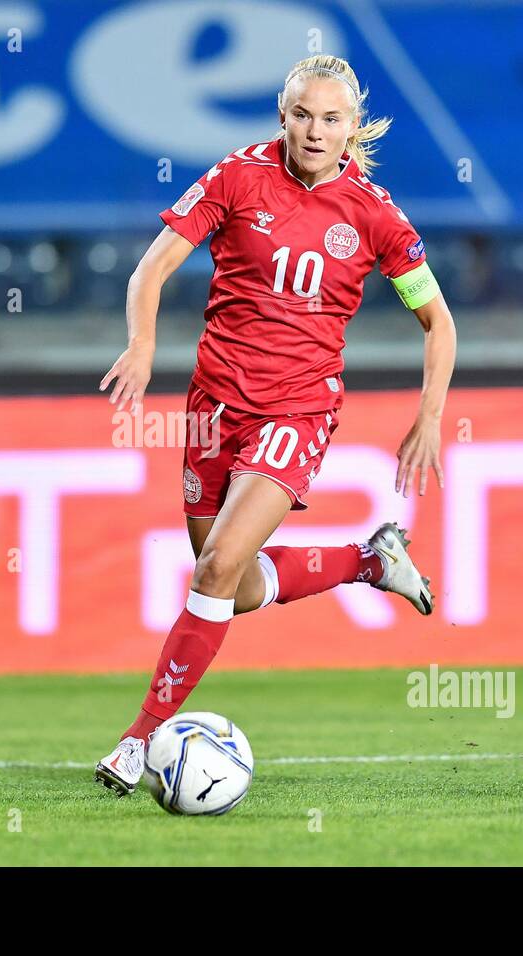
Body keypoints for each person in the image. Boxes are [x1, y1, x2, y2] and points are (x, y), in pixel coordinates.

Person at [95, 55, 457, 796]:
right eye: (301, 115)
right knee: (231, 585)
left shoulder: (376, 215)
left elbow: (438, 321)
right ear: (281, 116)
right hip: (213, 407)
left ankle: (136, 742)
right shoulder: (237, 176)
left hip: (297, 407)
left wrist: (429, 418)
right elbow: (151, 269)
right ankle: (366, 562)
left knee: (215, 568)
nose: (314, 130)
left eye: (331, 119)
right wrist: (141, 342)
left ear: (352, 127)